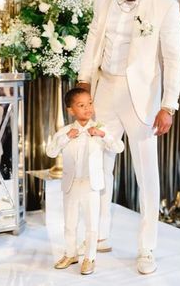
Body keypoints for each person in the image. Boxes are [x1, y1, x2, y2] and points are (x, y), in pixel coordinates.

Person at [77, 0, 180, 274]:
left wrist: (168, 105)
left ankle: (146, 248)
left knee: (146, 175)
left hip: (142, 98)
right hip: (105, 87)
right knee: (99, 164)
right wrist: (83, 83)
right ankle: (100, 235)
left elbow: (173, 58)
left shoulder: (165, 5)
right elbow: (94, 38)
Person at [46, 88, 124, 275]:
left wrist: (103, 135)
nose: (87, 108)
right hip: (71, 184)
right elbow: (51, 152)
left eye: (89, 103)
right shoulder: (65, 131)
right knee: (70, 223)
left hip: (91, 184)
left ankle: (89, 258)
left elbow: (118, 147)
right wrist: (66, 137)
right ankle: (71, 253)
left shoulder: (100, 128)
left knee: (91, 223)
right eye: (81, 105)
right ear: (71, 110)